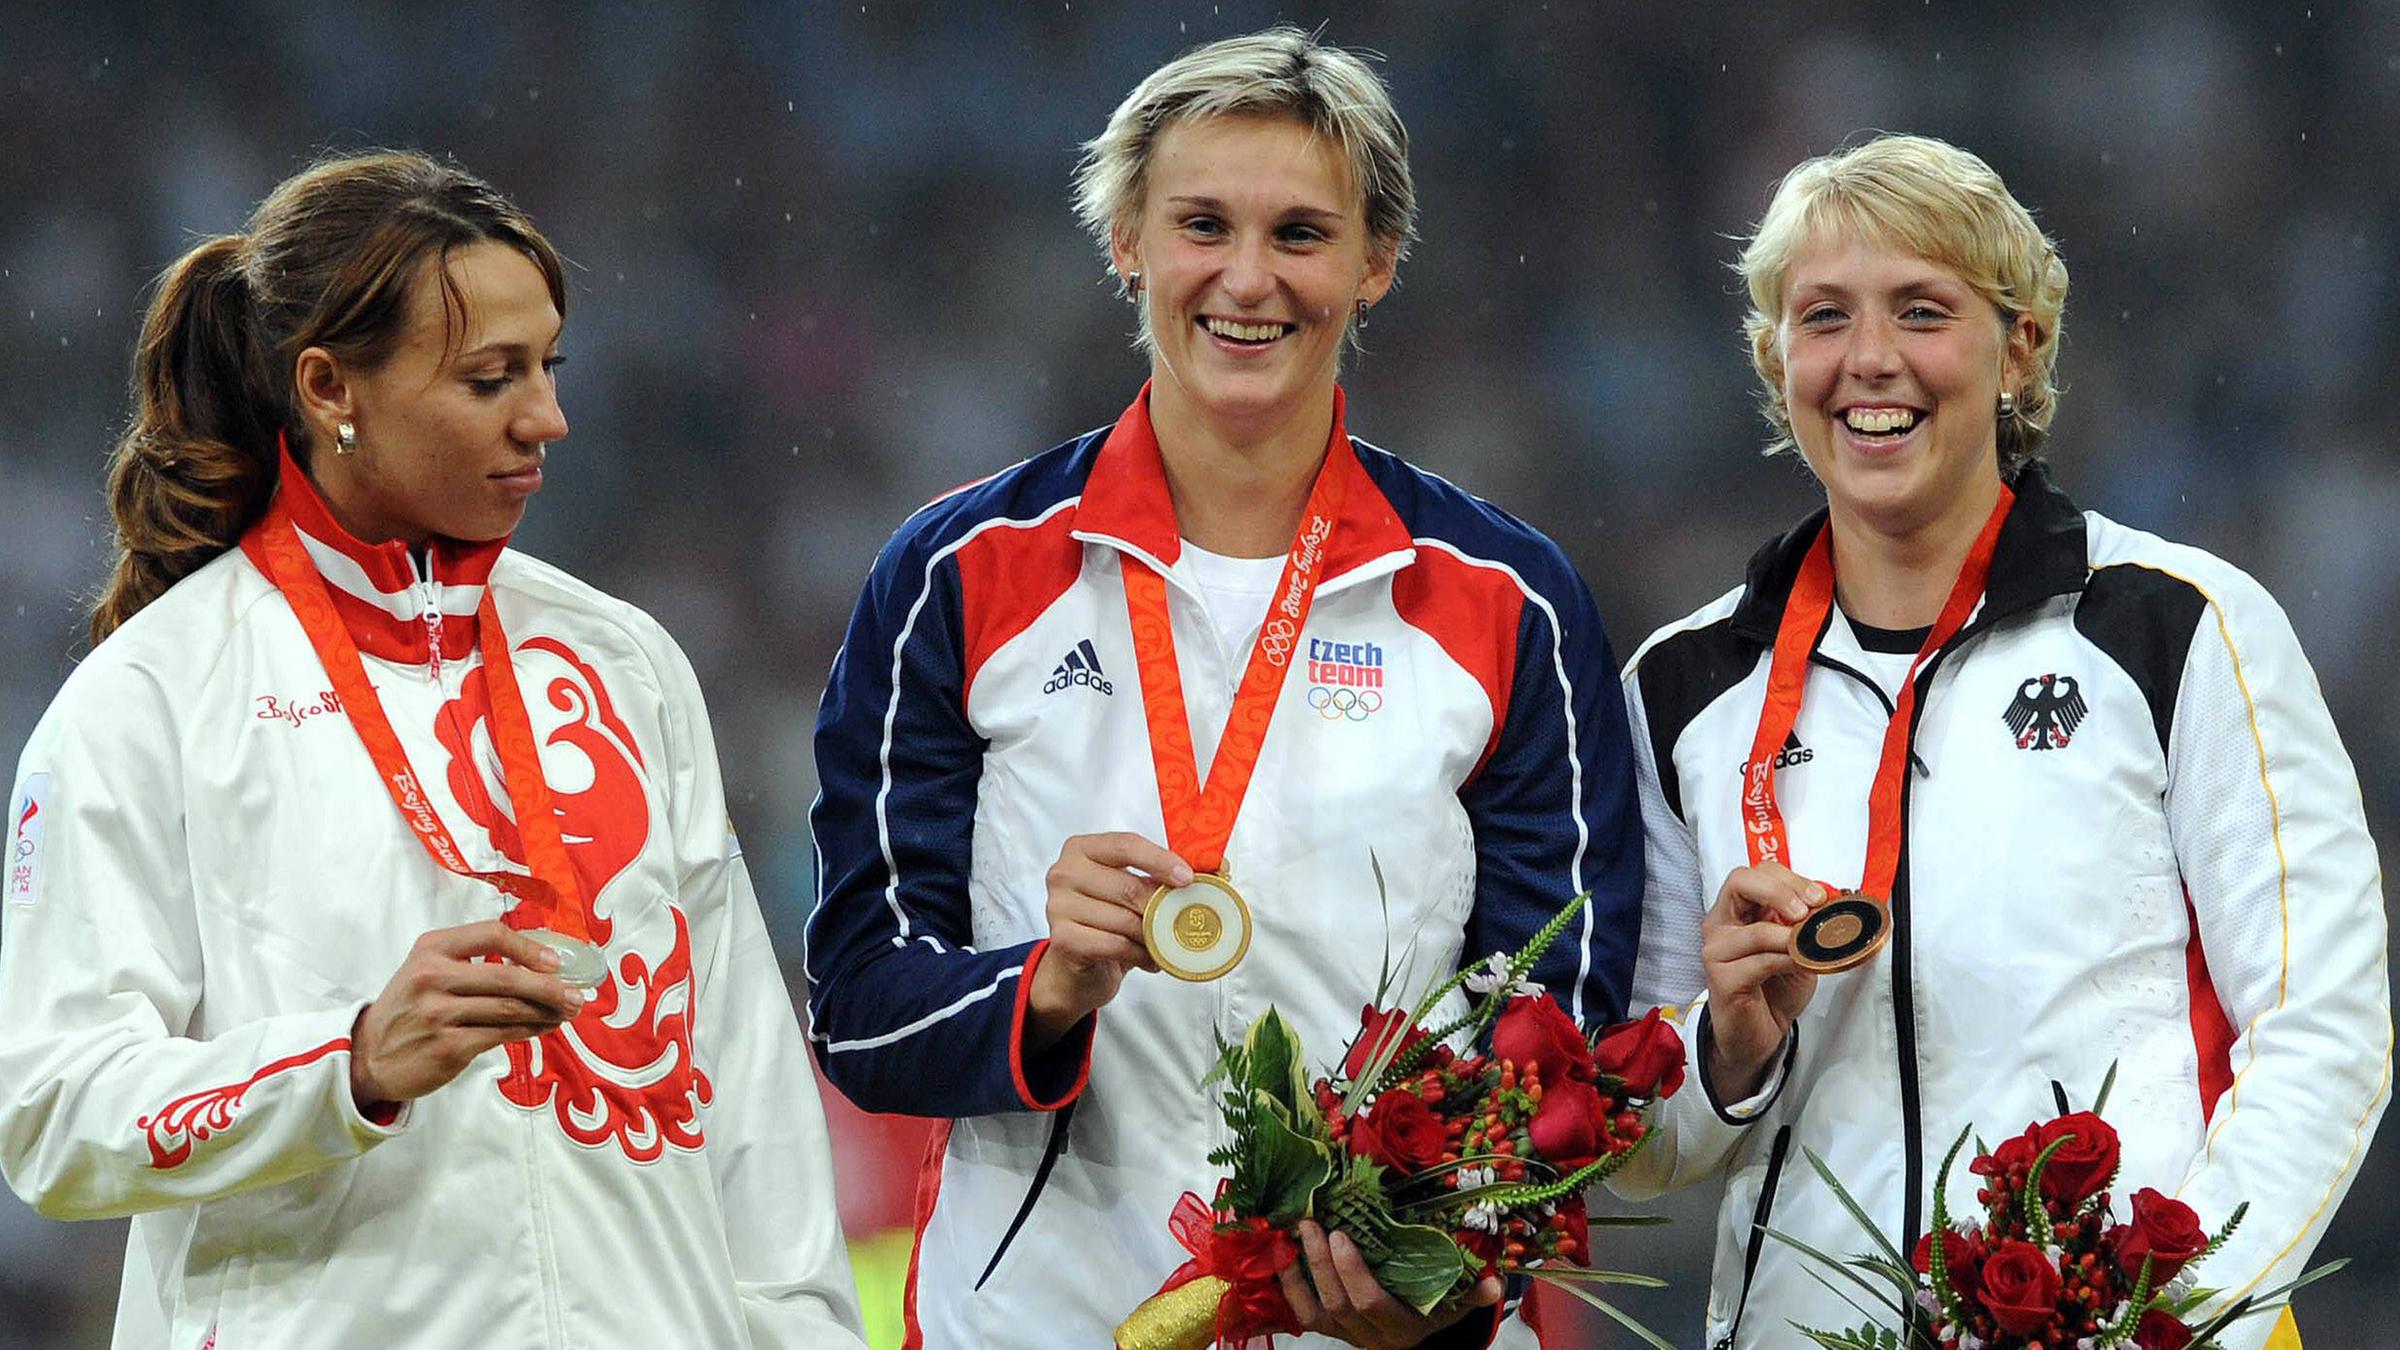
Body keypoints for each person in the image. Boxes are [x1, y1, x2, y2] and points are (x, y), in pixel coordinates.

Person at [805, 26, 1643, 1349]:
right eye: (1202, 222)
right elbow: (858, 1006)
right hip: (1037, 1322)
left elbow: (1565, 1036)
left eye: (1302, 234)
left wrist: (1426, 1283)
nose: (1248, 278)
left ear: (1374, 266)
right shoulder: (958, 575)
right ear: (1126, 237)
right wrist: (1047, 985)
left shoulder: (1506, 600)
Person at [0, 150, 867, 1349]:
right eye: (489, 378)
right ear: (328, 388)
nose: (547, 416)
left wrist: (802, 1333)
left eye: (549, 368)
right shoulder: (151, 699)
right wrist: (346, 1068)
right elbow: (52, 1115)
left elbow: (740, 1062)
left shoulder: (623, 660)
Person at [1614, 133, 2388, 1350]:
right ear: (1776, 359)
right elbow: (1643, 1150)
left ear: (2019, 345)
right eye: (1823, 317)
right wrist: (1727, 1048)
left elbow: (2323, 1027)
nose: (1870, 360)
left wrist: (2158, 1318)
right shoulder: (1682, 684)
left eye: (1923, 310)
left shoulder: (2179, 625)